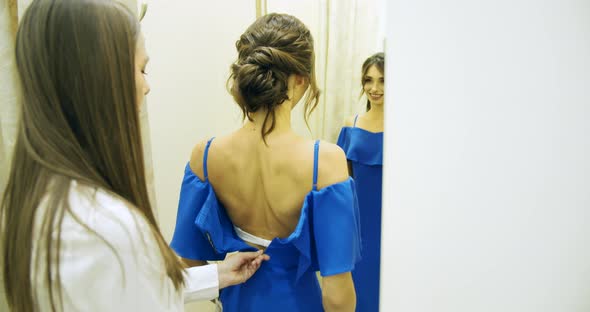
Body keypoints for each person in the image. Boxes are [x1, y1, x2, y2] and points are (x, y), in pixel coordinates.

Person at [0, 1, 268, 311]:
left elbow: (121, 289)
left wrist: (216, 275)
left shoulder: (40, 197)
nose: (147, 86)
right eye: (141, 69)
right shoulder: (107, 228)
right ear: (99, 82)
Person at [170, 13, 361, 312]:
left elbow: (188, 258)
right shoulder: (324, 161)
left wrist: (223, 294)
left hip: (237, 301)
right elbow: (337, 297)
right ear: (301, 80)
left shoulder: (205, 155)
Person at [337, 52, 385, 312]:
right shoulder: (350, 125)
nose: (374, 88)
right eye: (368, 80)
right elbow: (339, 186)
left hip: (391, 231)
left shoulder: (407, 130)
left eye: (382, 81)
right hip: (357, 232)